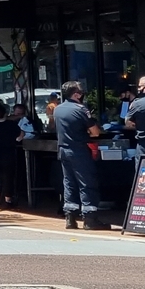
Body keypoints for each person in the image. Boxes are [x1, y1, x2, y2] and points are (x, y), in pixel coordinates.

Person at [52, 81, 101, 230]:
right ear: (76, 94)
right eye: (80, 92)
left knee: (69, 183)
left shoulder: (58, 110)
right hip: (79, 150)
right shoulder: (81, 109)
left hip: (63, 150)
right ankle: (89, 218)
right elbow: (95, 132)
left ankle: (70, 217)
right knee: (86, 183)